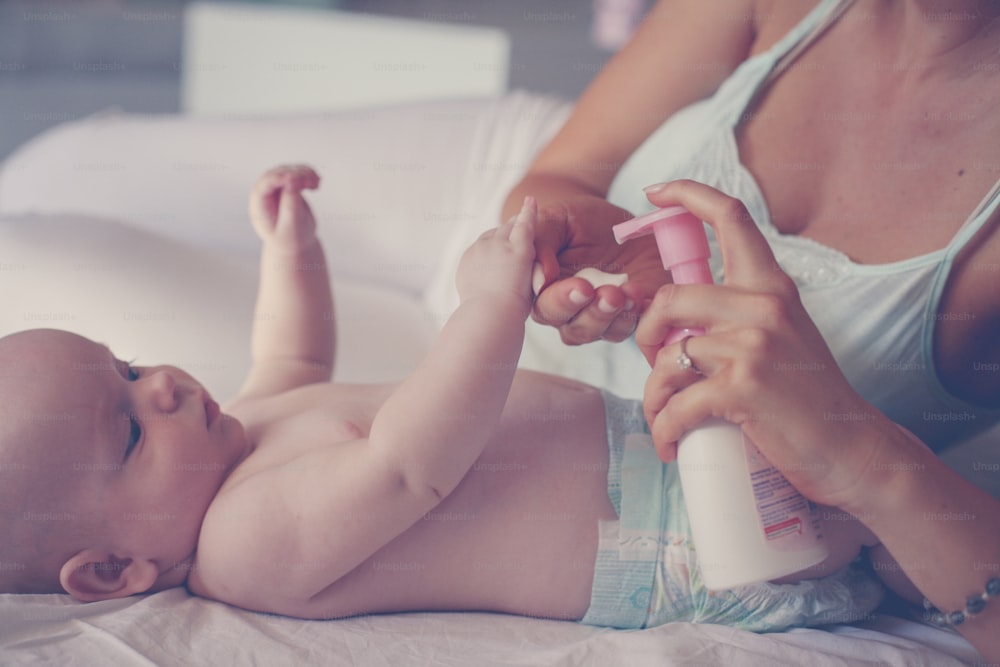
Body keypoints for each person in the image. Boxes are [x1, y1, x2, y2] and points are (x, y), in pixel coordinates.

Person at [3, 164, 901, 634]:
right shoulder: (244, 543)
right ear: (114, 571)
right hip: (678, 537)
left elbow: (293, 347)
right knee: (875, 515)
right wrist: (488, 304)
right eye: (126, 428)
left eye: (123, 364)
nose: (157, 382)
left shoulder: (247, 427)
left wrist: (288, 248)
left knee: (855, 452)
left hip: (659, 448)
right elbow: (407, 464)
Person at [499, 0, 999, 659]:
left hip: (673, 543)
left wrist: (861, 449)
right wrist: (568, 246)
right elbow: (554, 178)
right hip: (500, 395)